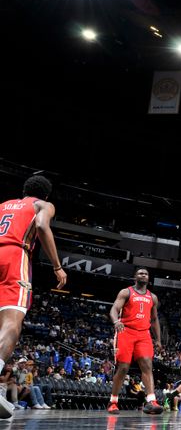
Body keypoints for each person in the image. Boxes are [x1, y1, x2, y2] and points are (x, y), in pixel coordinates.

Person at [0, 175, 66, 419]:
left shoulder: (4, 205)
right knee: (12, 321)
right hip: (14, 256)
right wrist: (57, 265)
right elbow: (40, 225)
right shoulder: (43, 205)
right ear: (46, 195)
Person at [106, 268, 163, 415]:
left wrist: (158, 340)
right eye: (140, 273)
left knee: (147, 365)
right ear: (135, 277)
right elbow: (113, 309)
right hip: (126, 332)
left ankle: (151, 401)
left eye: (146, 274)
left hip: (144, 334)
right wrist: (116, 321)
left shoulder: (153, 297)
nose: (143, 275)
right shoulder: (126, 292)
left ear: (148, 278)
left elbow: (155, 319)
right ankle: (113, 401)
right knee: (123, 368)